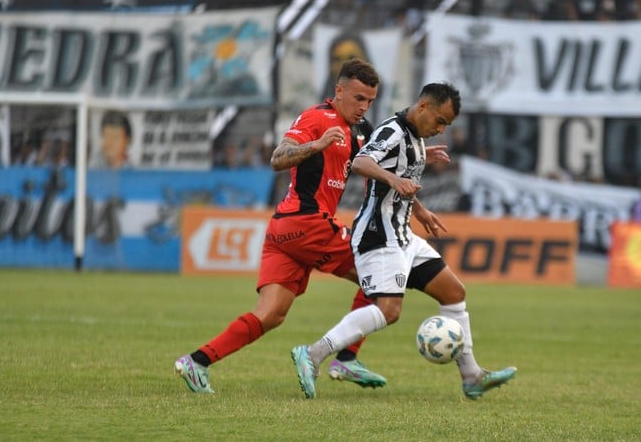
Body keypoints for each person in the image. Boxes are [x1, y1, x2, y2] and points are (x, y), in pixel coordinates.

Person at [174, 59, 449, 394]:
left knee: (271, 314)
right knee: (376, 269)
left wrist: (417, 177)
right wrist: (315, 145)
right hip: (305, 223)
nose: (364, 107)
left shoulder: (361, 131)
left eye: (370, 101)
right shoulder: (317, 117)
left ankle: (197, 361)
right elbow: (278, 158)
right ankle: (346, 359)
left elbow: (378, 170)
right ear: (339, 91)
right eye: (358, 98)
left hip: (285, 232)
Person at [291, 82, 517, 400]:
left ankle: (472, 376)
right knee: (389, 310)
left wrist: (420, 210)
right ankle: (313, 354)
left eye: (447, 126)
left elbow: (402, 174)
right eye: (440, 121)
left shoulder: (417, 138)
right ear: (423, 106)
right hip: (377, 235)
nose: (441, 129)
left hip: (402, 236)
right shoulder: (393, 131)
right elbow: (361, 162)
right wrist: (394, 179)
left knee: (453, 292)